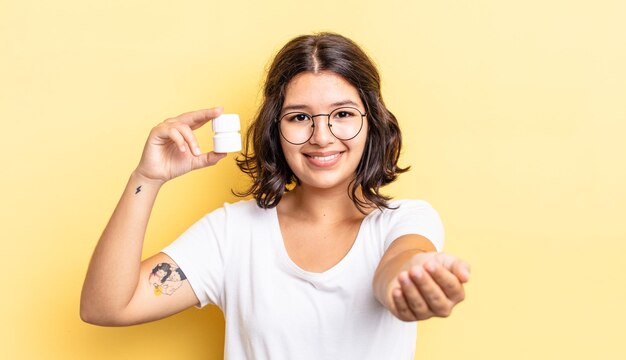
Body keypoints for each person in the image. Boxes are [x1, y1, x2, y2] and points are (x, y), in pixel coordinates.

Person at [81, 33, 470, 359]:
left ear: (372, 122)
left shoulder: (403, 220)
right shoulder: (233, 232)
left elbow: (399, 264)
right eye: (300, 117)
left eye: (343, 114)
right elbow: (106, 306)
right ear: (274, 128)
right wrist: (146, 178)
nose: (321, 136)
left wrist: (412, 283)